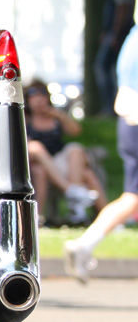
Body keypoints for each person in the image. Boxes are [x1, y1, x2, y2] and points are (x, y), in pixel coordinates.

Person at [64, 22, 138, 283]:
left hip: (130, 126)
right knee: (132, 197)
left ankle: (84, 245)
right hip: (134, 122)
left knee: (131, 198)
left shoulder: (132, 39)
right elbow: (127, 98)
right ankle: (84, 245)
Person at [24, 81, 106, 223]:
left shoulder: (55, 117)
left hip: (60, 162)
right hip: (37, 165)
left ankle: (101, 216)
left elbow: (76, 131)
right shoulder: (25, 119)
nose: (38, 99)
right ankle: (71, 193)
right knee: (36, 149)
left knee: (76, 151)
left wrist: (58, 115)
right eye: (33, 95)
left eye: (42, 94)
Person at [94, 0, 136, 114]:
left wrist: (115, 34)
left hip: (119, 34)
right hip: (114, 33)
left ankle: (110, 109)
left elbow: (122, 10)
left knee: (104, 66)